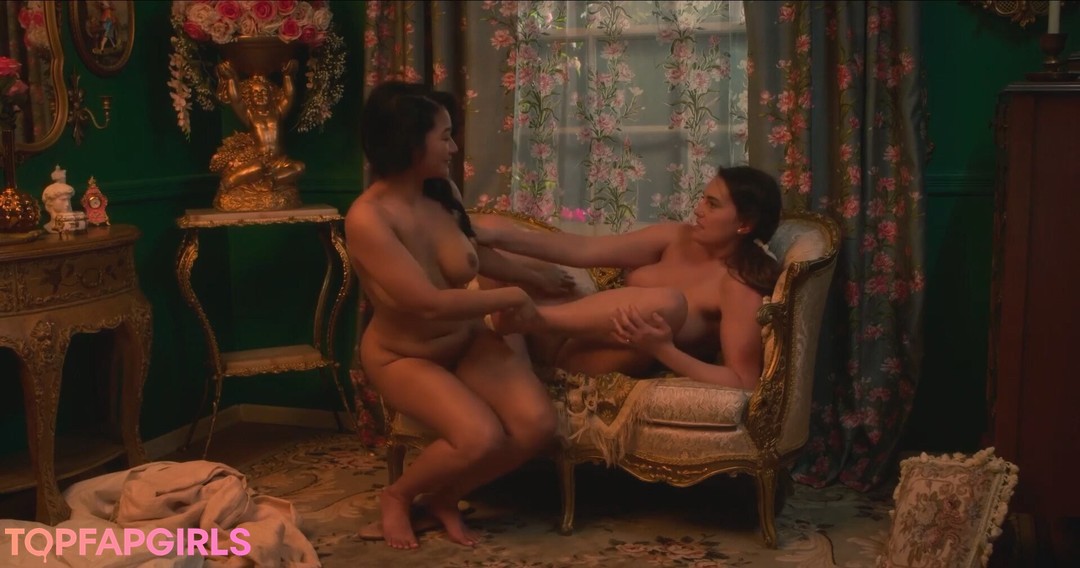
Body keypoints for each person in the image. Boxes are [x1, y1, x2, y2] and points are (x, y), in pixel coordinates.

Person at [345, 81, 560, 550]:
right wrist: (510, 298)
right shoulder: (368, 218)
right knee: (479, 436)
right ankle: (398, 496)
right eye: (444, 137)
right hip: (404, 355)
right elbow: (426, 302)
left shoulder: (443, 193)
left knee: (537, 425)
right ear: (409, 142)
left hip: (465, 340)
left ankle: (444, 498)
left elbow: (472, 257)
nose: (453, 148)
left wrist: (539, 278)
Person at [473, 165, 783, 390]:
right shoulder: (677, 237)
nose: (698, 210)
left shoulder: (737, 286)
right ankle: (516, 352)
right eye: (703, 199)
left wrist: (663, 350)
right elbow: (584, 250)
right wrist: (496, 237)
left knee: (668, 302)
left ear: (744, 224)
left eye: (712, 205)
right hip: (567, 324)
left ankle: (527, 319)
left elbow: (743, 380)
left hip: (591, 357)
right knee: (492, 229)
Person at [212, 60, 305, 192]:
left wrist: (288, 76)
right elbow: (236, 100)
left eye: (263, 92)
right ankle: (229, 181)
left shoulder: (277, 112)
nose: (260, 96)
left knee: (299, 167)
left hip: (279, 161)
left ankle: (272, 181)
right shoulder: (250, 115)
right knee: (257, 168)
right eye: (255, 94)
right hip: (259, 159)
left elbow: (288, 96)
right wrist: (232, 78)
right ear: (250, 98)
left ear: (271, 95)